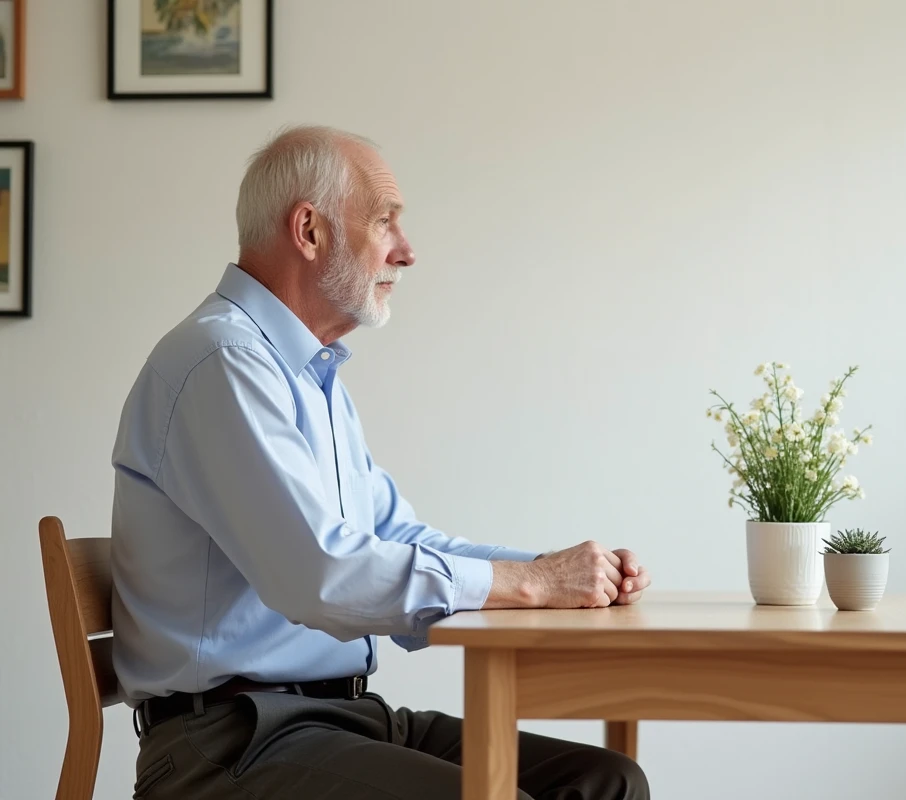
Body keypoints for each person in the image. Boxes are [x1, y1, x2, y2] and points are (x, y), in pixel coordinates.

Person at [109, 124, 652, 800]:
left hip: (339, 719)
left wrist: (554, 574)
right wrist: (534, 584)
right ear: (309, 231)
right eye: (386, 221)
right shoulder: (224, 363)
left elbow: (396, 542)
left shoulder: (306, 374)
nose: (409, 250)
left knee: (607, 780)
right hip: (232, 743)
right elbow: (325, 577)